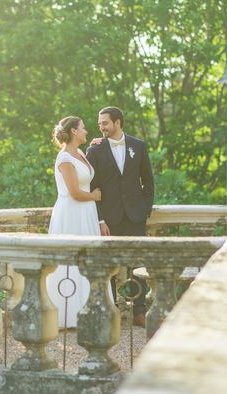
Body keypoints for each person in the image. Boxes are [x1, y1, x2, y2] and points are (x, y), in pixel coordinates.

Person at [86, 106, 154, 327]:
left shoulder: (139, 146)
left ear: (117, 122)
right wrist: (101, 220)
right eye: (99, 124)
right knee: (110, 266)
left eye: (105, 123)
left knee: (138, 264)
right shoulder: (94, 151)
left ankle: (139, 311)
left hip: (135, 215)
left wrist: (145, 210)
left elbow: (148, 181)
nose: (101, 127)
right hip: (110, 218)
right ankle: (112, 311)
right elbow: (92, 188)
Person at [46, 116, 102, 329]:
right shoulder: (64, 159)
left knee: (87, 259)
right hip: (71, 212)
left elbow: (87, 173)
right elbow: (75, 192)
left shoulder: (79, 153)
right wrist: (95, 197)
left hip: (86, 212)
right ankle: (68, 315)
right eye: (83, 128)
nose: (86, 131)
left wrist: (99, 144)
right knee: (70, 261)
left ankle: (87, 308)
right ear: (73, 132)